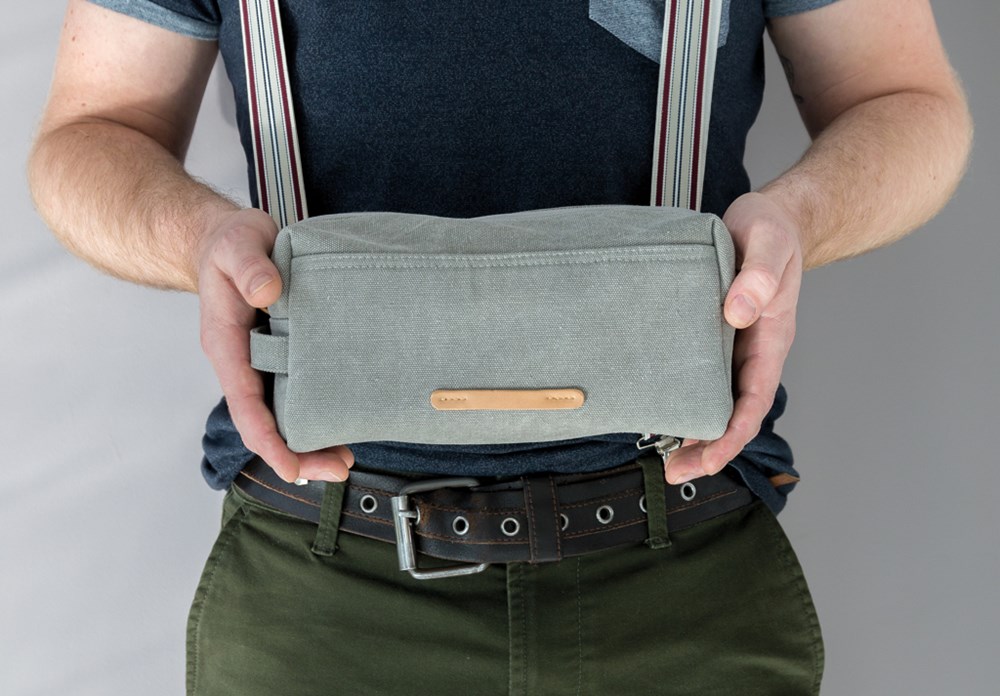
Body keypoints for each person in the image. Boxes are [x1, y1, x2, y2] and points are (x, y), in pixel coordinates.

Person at [28, 0, 971, 693]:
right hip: (321, 592)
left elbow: (904, 99)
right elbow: (91, 132)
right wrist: (199, 238)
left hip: (683, 579)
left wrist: (798, 217)